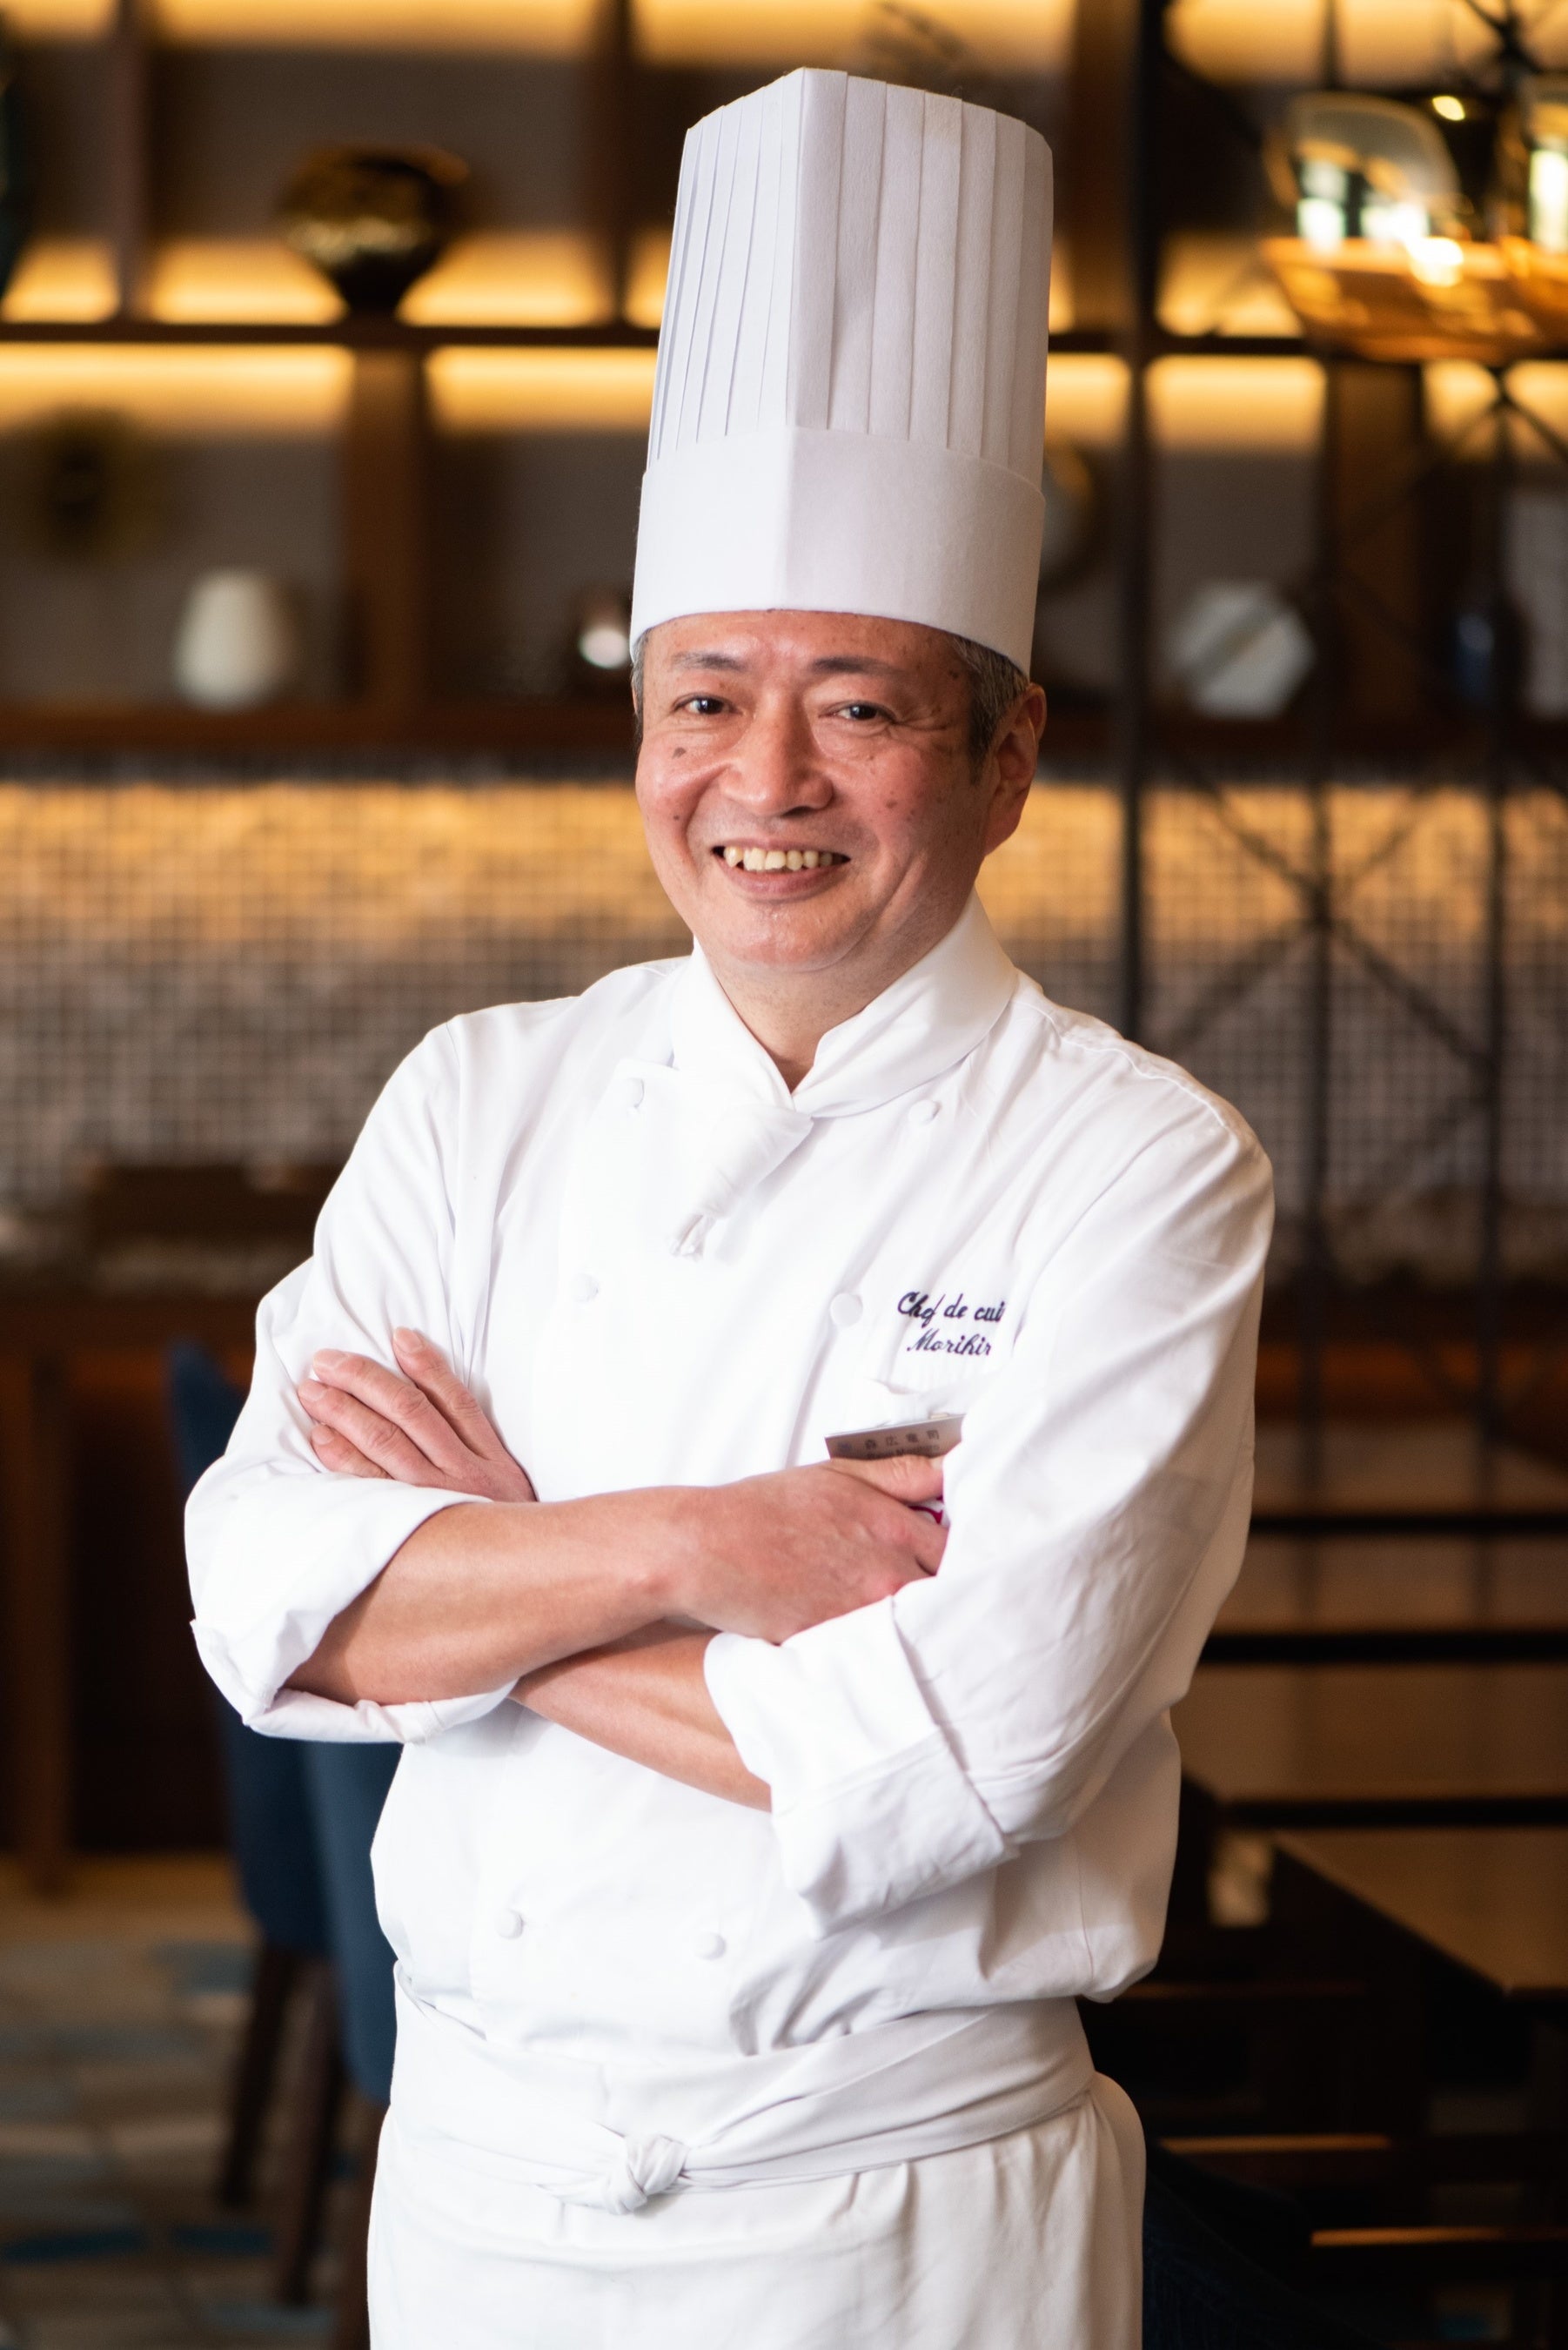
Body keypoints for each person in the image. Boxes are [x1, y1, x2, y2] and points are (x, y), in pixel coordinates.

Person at [187, 66, 1273, 2350]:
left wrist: (483, 1580)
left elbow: (965, 1760)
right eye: (702, 697)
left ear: (1005, 757)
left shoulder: (1139, 1162)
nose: (761, 781)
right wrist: (701, 1544)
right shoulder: (480, 1095)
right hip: (476, 2197)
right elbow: (262, 1590)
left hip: (898, 2223)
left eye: (858, 707)